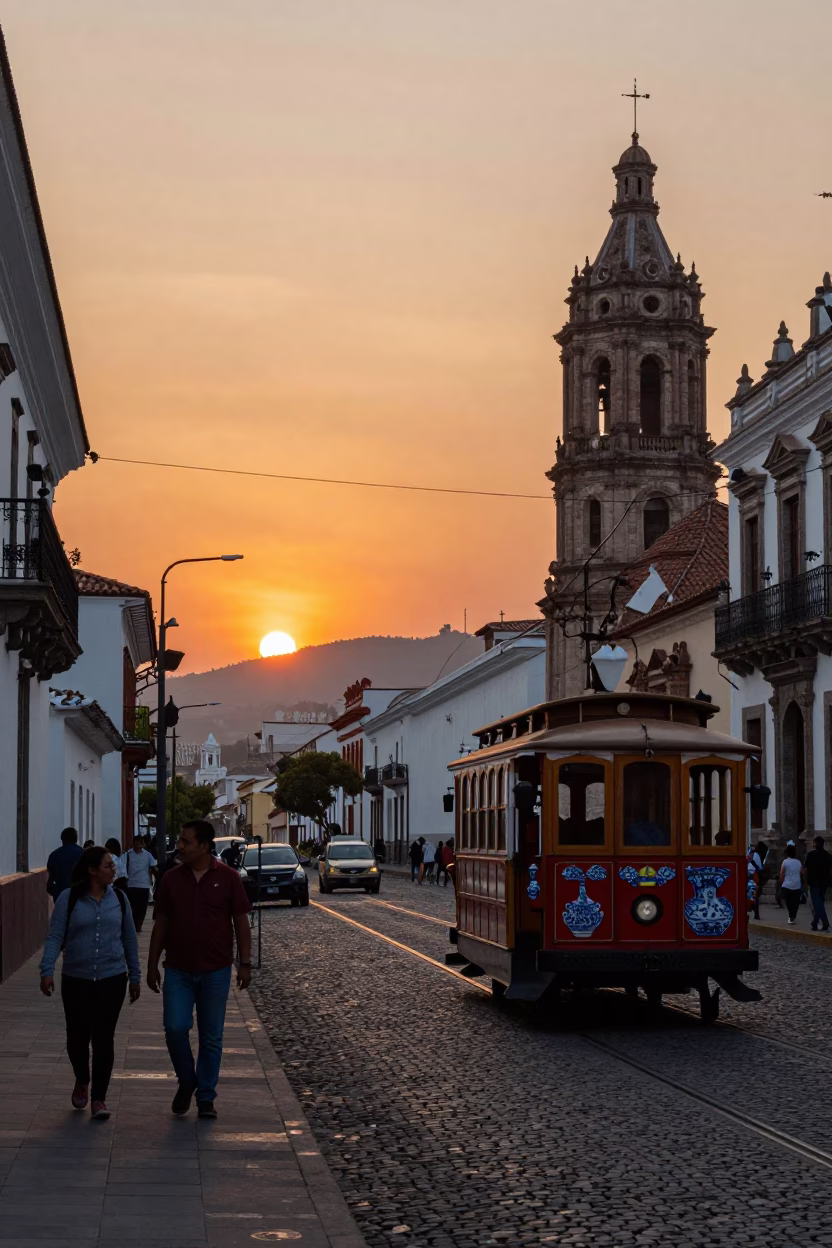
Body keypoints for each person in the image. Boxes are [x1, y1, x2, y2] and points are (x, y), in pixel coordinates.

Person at [147, 819, 252, 1120]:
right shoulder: (171, 879)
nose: (179, 846)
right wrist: (152, 964)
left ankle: (206, 1096)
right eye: (179, 840)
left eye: (185, 841)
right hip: (178, 970)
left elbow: (241, 922)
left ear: (204, 847)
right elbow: (161, 922)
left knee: (211, 1037)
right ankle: (187, 1079)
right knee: (175, 1027)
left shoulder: (228, 878)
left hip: (216, 970)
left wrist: (244, 964)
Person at [39, 846, 140, 1119]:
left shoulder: (119, 898)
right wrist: (46, 970)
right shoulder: (68, 899)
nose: (113, 869)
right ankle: (82, 1078)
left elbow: (129, 938)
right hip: (76, 979)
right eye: (108, 865)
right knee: (77, 1038)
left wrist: (135, 975)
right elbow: (54, 936)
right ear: (92, 870)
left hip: (112, 977)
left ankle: (99, 1098)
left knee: (104, 1039)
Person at [126, 834, 157, 933]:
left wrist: (157, 876)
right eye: (137, 843)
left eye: (141, 843)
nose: (139, 845)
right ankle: (135, 924)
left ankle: (139, 923)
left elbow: (153, 867)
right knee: (133, 906)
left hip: (144, 884)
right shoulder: (128, 855)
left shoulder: (147, 855)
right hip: (131, 884)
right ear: (133, 843)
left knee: (143, 907)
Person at [46, 828, 83, 900]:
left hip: (60, 896)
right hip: (79, 896)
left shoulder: (54, 855)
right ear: (76, 839)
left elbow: (51, 879)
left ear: (62, 839)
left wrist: (55, 892)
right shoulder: (82, 853)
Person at [805, 835, 832, 932]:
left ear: (815, 844)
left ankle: (825, 923)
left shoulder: (811, 855)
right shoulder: (828, 855)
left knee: (817, 903)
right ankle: (815, 922)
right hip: (824, 882)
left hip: (814, 882)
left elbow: (806, 867)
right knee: (819, 902)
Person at [779, 844, 805, 925]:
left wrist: (782, 881)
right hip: (797, 885)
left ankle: (791, 916)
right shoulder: (798, 862)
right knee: (795, 902)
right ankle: (793, 916)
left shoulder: (785, 862)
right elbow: (802, 872)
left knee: (789, 902)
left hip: (787, 885)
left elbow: (782, 873)